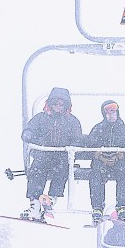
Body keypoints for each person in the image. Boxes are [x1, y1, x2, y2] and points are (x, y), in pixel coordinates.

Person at [20, 87, 83, 221]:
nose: (58, 107)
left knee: (62, 169)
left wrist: (71, 147)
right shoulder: (41, 118)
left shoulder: (72, 121)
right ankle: (35, 203)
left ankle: (51, 198)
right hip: (44, 153)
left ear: (66, 106)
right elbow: (30, 130)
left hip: (61, 155)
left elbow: (78, 139)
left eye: (61, 104)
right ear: (50, 104)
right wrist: (29, 135)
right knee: (37, 168)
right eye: (55, 104)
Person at [85, 100, 125, 225]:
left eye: (113, 111)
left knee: (123, 172)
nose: (111, 114)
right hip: (101, 162)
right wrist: (99, 155)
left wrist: (121, 155)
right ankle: (97, 207)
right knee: (96, 173)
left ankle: (122, 206)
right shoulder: (98, 129)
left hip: (119, 162)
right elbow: (90, 146)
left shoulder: (124, 129)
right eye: (107, 112)